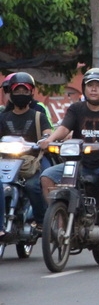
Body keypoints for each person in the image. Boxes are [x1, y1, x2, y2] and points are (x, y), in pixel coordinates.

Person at [39, 68, 99, 238]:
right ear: (84, 88)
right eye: (90, 85)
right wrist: (49, 140)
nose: (94, 89)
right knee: (46, 176)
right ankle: (59, 217)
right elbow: (64, 128)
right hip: (80, 162)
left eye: (98, 86)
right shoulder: (76, 108)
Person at [0, 72, 52, 238]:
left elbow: (48, 133)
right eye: (17, 91)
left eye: (25, 91)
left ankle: (42, 221)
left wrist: (45, 139)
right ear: (11, 93)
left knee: (34, 185)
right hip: (7, 160)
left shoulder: (39, 116)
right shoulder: (3, 117)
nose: (21, 95)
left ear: (32, 92)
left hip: (34, 160)